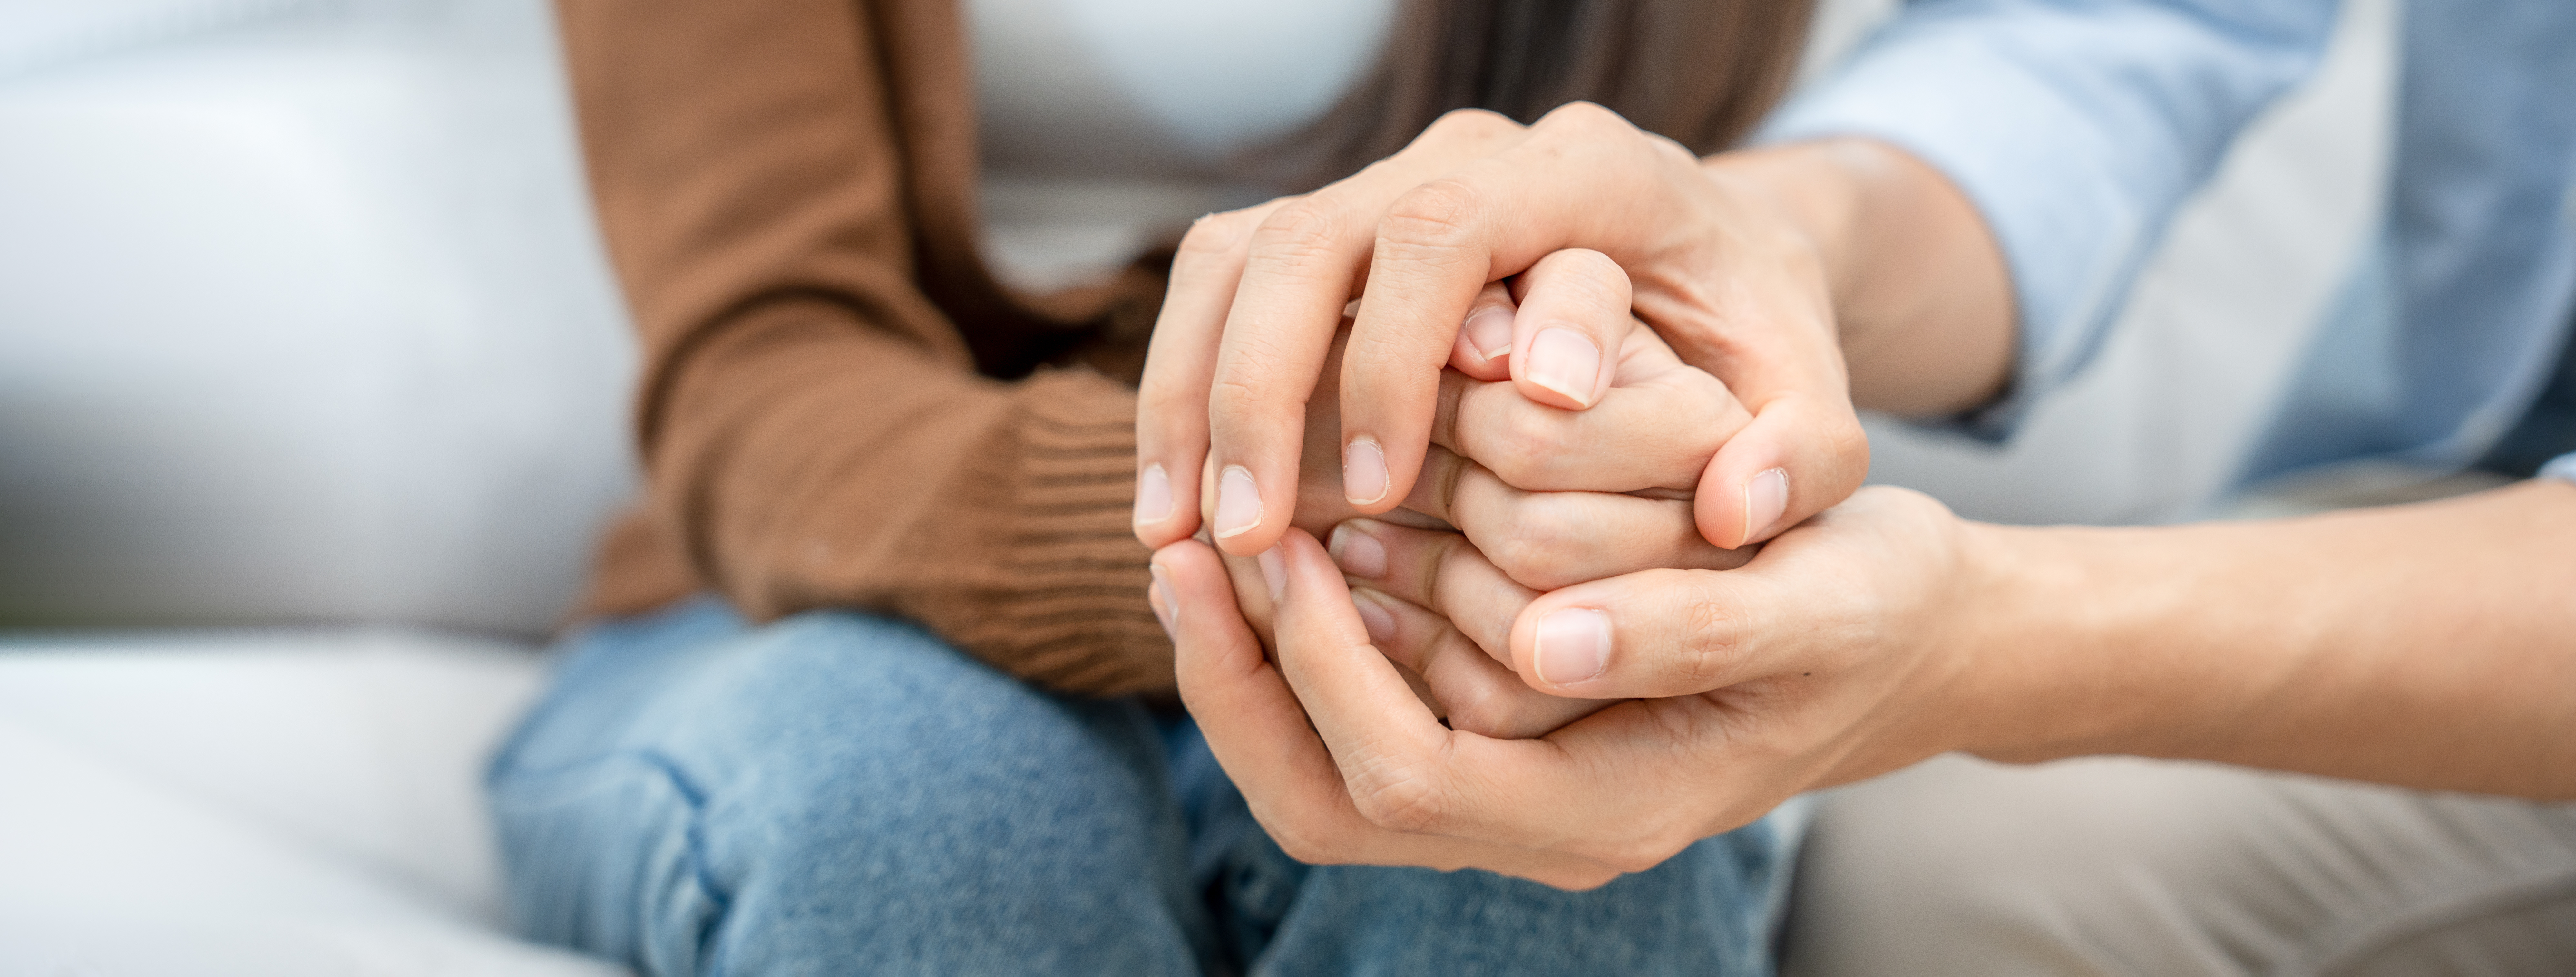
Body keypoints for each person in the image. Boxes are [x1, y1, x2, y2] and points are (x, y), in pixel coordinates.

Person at [1142, 0, 2576, 971]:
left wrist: (1980, 638)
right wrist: (1764, 245)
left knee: (1948, 895)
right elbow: (2123, 36)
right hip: (2474, 457)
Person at [483, 1, 1832, 974]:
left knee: (1541, 866)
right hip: (796, 593)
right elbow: (761, 379)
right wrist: (1286, 520)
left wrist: (1559, 488)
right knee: (934, 810)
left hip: (1454, 567)